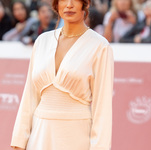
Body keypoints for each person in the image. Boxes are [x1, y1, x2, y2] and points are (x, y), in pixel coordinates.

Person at [10, 0, 114, 150]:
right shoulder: (42, 42)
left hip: (76, 135)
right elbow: (30, 97)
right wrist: (19, 141)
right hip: (40, 134)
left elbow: (102, 108)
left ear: (85, 4)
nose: (69, 5)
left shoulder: (100, 46)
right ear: (56, 4)